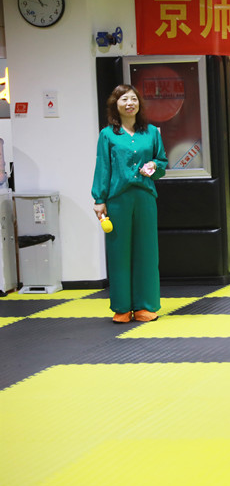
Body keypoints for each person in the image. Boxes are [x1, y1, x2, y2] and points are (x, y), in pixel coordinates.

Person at [91, 84, 168, 324]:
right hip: (118, 199)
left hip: (145, 197)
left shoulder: (152, 132)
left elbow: (162, 162)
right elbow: (103, 167)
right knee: (119, 253)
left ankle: (145, 306)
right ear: (115, 105)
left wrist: (154, 166)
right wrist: (99, 199)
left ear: (139, 104)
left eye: (133, 99)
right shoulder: (107, 135)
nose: (129, 103)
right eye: (124, 99)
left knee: (147, 251)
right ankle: (122, 307)